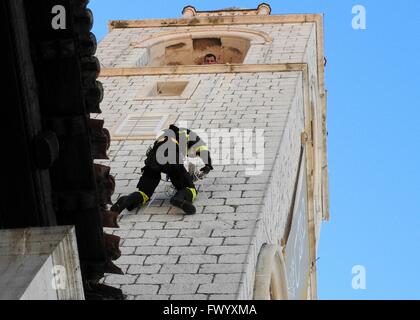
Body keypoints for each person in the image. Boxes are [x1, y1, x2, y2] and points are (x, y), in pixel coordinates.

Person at [111, 124, 213, 215]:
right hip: (172, 157)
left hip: (153, 159)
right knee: (189, 188)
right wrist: (208, 165)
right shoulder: (188, 134)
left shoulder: (163, 135)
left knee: (144, 193)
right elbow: (203, 149)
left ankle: (126, 201)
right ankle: (179, 198)